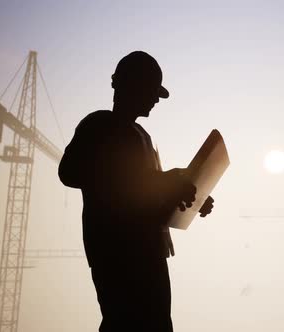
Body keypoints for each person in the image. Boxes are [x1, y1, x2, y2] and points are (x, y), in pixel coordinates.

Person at [58, 50, 215, 332]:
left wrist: (191, 196)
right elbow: (69, 173)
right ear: (132, 86)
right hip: (118, 254)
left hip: (150, 253)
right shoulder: (99, 125)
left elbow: (147, 195)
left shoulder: (143, 137)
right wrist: (163, 182)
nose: (156, 99)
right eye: (152, 91)